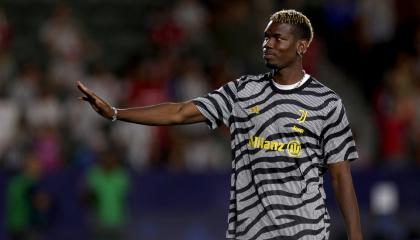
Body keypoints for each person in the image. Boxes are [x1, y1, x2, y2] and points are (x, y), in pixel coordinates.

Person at [77, 9, 363, 240]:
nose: (267, 44)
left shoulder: (326, 102)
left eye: (277, 38)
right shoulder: (242, 91)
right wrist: (115, 112)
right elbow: (179, 112)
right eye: (265, 38)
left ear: (302, 46)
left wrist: (355, 236)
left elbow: (340, 177)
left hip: (306, 232)